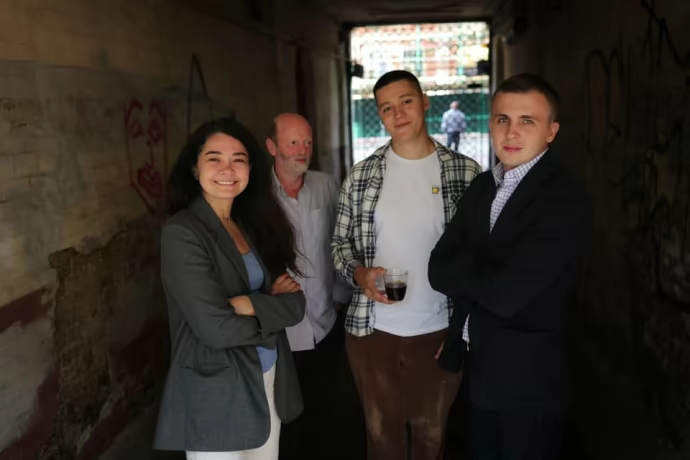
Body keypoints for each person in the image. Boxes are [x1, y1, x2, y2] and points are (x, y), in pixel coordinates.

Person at [429, 74, 591, 459]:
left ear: (551, 131)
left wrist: (468, 269)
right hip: (476, 371)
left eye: (527, 121)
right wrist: (489, 273)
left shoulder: (563, 199)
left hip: (528, 384)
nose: (511, 132)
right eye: (502, 119)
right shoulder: (483, 186)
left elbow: (505, 296)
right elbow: (437, 268)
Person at [332, 70, 482, 460]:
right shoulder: (361, 175)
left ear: (425, 102)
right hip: (372, 333)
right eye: (386, 108)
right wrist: (359, 273)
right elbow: (339, 244)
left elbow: (480, 256)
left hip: (438, 332)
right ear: (379, 115)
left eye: (406, 101)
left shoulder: (466, 173)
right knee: (382, 440)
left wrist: (461, 330)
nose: (397, 114)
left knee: (431, 440)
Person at [153, 117, 307, 460]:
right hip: (217, 390)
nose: (228, 169)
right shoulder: (182, 232)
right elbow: (215, 329)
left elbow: (296, 303)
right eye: (214, 158)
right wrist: (270, 313)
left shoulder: (252, 223)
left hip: (268, 377)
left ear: (250, 168)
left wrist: (248, 305)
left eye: (238, 159)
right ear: (195, 168)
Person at [264, 113, 353, 458]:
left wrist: (340, 298)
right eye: (292, 143)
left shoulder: (326, 184)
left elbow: (341, 241)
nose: (303, 150)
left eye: (308, 142)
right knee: (286, 421)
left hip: (326, 323)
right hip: (282, 333)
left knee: (327, 413)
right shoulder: (256, 195)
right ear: (272, 147)